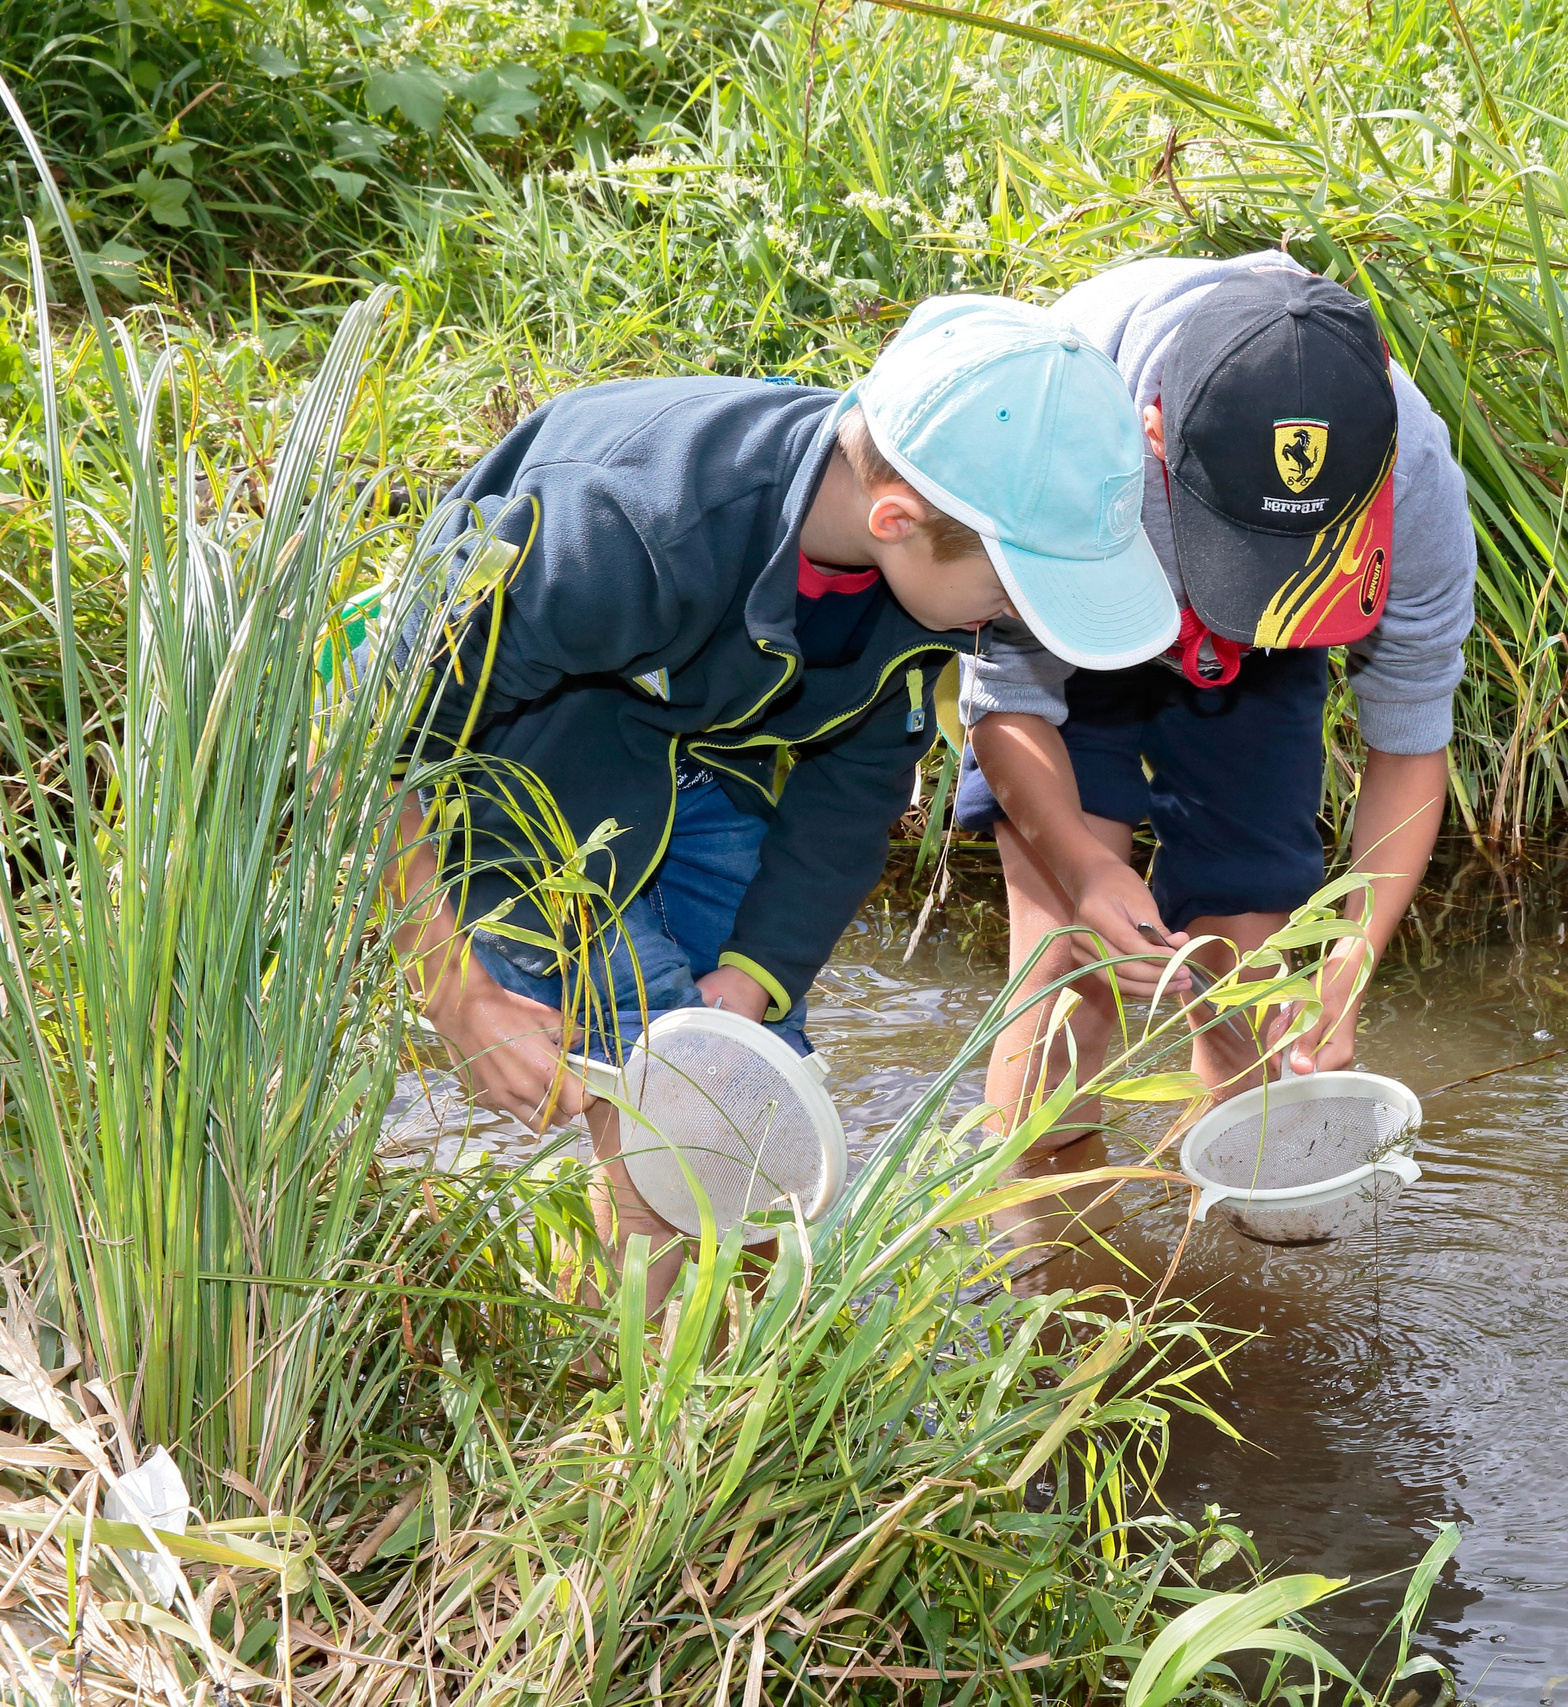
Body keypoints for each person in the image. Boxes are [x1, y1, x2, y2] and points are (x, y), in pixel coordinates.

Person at [383, 295, 1173, 1302]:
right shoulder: (615, 526)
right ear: (896, 521)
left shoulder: (921, 577)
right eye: (1013, 593)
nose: (1019, 626)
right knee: (659, 1088)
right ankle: (626, 1408)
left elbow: (853, 794)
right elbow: (365, 759)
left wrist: (757, 979)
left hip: (711, 748)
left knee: (755, 1098)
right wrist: (458, 998)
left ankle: (726, 1377)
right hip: (519, 759)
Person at [955, 255, 1476, 1150]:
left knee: (1250, 992)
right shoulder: (1057, 434)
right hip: (1075, 627)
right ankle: (1035, 1254)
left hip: (1264, 652)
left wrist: (1353, 956)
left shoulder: (1412, 472)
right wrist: (1082, 868)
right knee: (1062, 986)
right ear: (1154, 431)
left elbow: (1410, 732)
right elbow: (1007, 691)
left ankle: (1228, 1247)